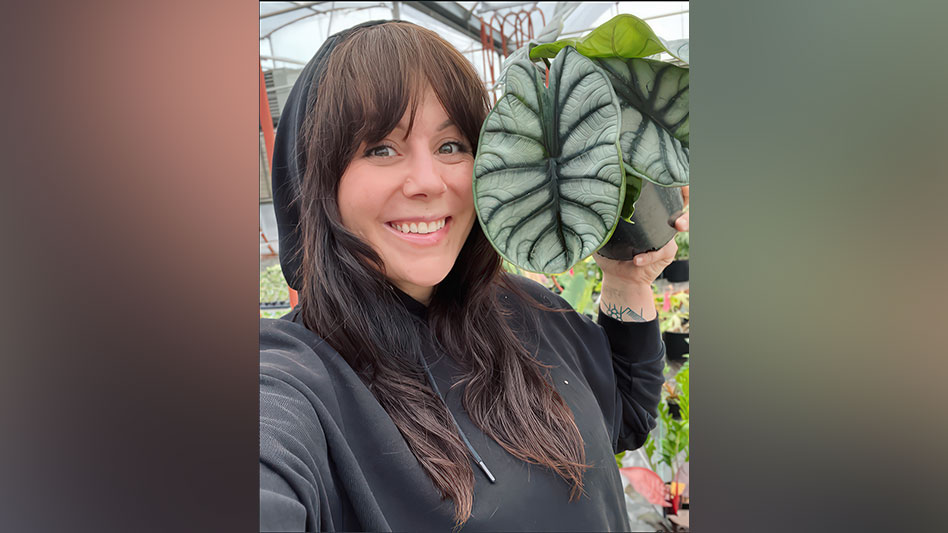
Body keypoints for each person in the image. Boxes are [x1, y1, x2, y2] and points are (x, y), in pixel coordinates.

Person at [260, 20, 689, 532]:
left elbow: (625, 415)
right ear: (314, 178)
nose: (427, 181)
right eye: (381, 149)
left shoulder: (525, 309)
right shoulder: (298, 381)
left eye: (450, 146)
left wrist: (627, 282)